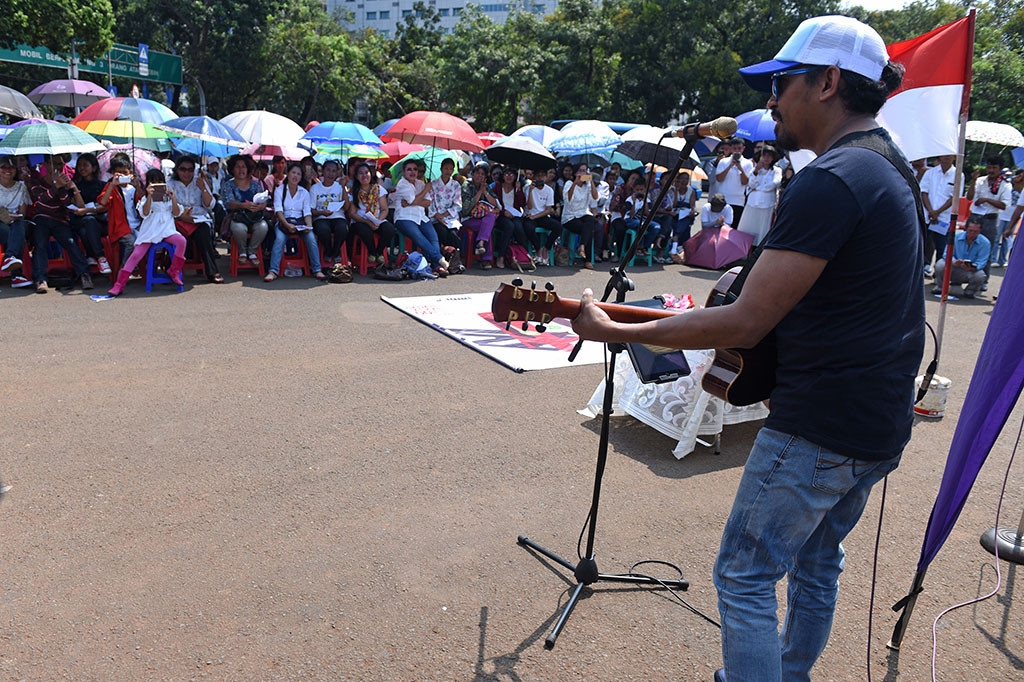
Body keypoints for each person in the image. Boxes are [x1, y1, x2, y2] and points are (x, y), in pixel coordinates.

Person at [570, 16, 922, 682]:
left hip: (820, 425)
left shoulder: (833, 178)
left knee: (745, 573)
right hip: (877, 422)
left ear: (826, 83)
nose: (770, 100)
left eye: (781, 83)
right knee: (818, 566)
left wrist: (619, 331)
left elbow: (745, 322)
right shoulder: (890, 165)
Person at [108, 168, 187, 296]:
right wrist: (149, 196)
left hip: (167, 230)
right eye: (153, 182)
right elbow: (144, 212)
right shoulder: (145, 198)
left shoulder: (168, 197)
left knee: (181, 241)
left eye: (159, 182)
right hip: (150, 232)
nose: (156, 185)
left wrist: (173, 199)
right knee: (135, 255)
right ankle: (119, 284)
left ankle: (174, 270)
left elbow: (177, 213)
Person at [28, 156, 92, 293]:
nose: (58, 167)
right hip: (41, 219)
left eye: (61, 164)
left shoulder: (63, 185)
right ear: (46, 165)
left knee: (70, 242)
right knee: (40, 244)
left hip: (59, 220)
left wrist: (70, 187)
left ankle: (84, 274)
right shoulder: (36, 182)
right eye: (55, 164)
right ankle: (40, 279)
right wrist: (55, 187)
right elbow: (41, 199)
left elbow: (70, 205)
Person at [168, 156, 223, 283]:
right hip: (178, 219)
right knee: (174, 236)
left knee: (204, 233)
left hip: (197, 220)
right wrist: (184, 217)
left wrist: (203, 188)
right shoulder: (170, 184)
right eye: (183, 169)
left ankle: (212, 271)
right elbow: (167, 207)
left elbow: (210, 205)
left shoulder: (199, 182)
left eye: (190, 170)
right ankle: (172, 269)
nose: (187, 173)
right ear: (177, 170)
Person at [266, 162, 323, 282]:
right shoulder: (280, 190)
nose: (295, 176)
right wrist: (287, 225)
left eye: (298, 174)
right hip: (284, 222)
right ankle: (273, 271)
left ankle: (317, 269)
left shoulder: (304, 192)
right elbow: (278, 211)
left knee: (311, 238)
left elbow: (307, 212)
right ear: (288, 173)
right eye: (293, 173)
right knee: (280, 239)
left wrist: (309, 226)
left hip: (300, 222)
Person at [393, 159, 449, 276]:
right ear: (404, 171)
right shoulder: (402, 184)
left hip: (420, 216)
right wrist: (425, 191)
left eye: (415, 169)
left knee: (433, 236)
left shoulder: (420, 183)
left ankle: (436, 266)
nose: (413, 172)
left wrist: (412, 202)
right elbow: (415, 199)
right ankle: (439, 259)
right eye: (409, 169)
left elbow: (427, 202)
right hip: (404, 217)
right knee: (418, 236)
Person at [966, 155, 1011, 280]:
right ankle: (962, 275)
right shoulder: (980, 180)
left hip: (990, 219)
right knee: (966, 245)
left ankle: (983, 279)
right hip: (975, 216)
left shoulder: (1005, 185)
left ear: (1000, 169)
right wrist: (973, 181)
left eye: (994, 168)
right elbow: (969, 197)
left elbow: (1004, 205)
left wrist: (987, 200)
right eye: (989, 167)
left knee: (987, 249)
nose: (990, 170)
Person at [222, 155, 270, 267]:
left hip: (255, 217)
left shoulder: (256, 184)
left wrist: (260, 206)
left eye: (243, 167)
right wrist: (244, 205)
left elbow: (264, 200)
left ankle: (252, 252)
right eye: (238, 167)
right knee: (239, 228)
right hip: (238, 217)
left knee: (263, 227)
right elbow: (229, 203)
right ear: (232, 169)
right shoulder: (228, 185)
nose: (241, 170)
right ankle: (242, 252)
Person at [69, 152, 112, 274]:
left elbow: (104, 206)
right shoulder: (75, 186)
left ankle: (91, 256)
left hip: (101, 221)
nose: (81, 168)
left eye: (85, 165)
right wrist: (75, 190)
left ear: (94, 167)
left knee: (86, 229)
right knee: (87, 222)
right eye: (79, 165)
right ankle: (100, 257)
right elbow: (79, 206)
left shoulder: (103, 185)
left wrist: (88, 210)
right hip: (81, 220)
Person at [96, 157, 138, 280]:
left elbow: (143, 203)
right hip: (120, 227)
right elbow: (103, 202)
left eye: (125, 173)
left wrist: (138, 187)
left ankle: (136, 266)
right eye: (119, 173)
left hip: (137, 224)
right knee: (132, 242)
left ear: (130, 172)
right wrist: (112, 184)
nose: (122, 176)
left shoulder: (134, 187)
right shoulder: (111, 187)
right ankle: (125, 268)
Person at [348, 162, 396, 265]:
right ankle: (372, 252)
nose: (364, 175)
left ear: (371, 174)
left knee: (389, 229)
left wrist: (377, 222)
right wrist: (368, 222)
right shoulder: (354, 191)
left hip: (377, 218)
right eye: (361, 173)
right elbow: (352, 213)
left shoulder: (378, 189)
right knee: (364, 230)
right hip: (361, 221)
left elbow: (384, 209)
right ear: (356, 177)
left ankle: (379, 252)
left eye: (366, 172)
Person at [932, 215, 989, 298]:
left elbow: (982, 261)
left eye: (975, 232)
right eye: (970, 231)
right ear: (966, 229)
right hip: (953, 267)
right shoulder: (955, 237)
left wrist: (973, 267)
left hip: (970, 271)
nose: (972, 234)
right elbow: (946, 254)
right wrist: (954, 261)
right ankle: (940, 287)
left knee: (980, 275)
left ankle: (970, 292)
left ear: (980, 231)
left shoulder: (985, 243)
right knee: (940, 264)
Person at [920, 154, 957, 275]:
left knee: (941, 248)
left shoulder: (958, 175)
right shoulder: (930, 173)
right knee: (923, 245)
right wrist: (931, 211)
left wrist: (937, 212)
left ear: (955, 157)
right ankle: (922, 270)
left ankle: (939, 275)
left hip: (943, 219)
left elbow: (954, 198)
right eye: (943, 155)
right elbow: (923, 192)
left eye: (949, 155)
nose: (945, 157)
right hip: (928, 216)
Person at [738, 144, 783, 244]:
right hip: (753, 202)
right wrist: (756, 171)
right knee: (748, 227)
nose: (766, 158)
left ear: (773, 158)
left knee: (763, 229)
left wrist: (758, 188)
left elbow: (774, 184)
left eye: (769, 156)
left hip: (767, 204)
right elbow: (751, 183)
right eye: (764, 155)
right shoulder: (754, 169)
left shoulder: (777, 170)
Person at [460, 162, 500, 269]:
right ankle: (485, 259)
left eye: (483, 174)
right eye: (478, 173)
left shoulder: (486, 186)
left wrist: (485, 192)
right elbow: (466, 209)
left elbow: (495, 204)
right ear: (472, 174)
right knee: (487, 225)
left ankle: (481, 243)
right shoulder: (466, 185)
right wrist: (479, 192)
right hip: (468, 218)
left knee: (489, 219)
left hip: (482, 218)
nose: (480, 176)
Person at [0, 156, 32, 288]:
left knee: (19, 225)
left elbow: (22, 212)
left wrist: (15, 217)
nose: (7, 170)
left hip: (17, 223)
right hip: (1, 223)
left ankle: (10, 258)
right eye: (3, 167)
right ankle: (16, 275)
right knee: (10, 233)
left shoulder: (21, 187)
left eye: (11, 167)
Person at [310, 160, 350, 266]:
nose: (330, 174)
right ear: (323, 171)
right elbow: (312, 210)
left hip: (338, 216)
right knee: (323, 230)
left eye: (333, 171)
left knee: (342, 229)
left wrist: (343, 188)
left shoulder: (339, 186)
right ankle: (328, 251)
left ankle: (335, 252)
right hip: (321, 217)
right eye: (328, 170)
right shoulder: (315, 188)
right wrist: (322, 212)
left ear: (337, 173)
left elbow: (346, 207)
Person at [560, 163, 598, 269]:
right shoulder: (569, 183)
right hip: (570, 217)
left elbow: (595, 197)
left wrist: (591, 181)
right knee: (588, 229)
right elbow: (567, 200)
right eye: (580, 171)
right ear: (576, 172)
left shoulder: (587, 185)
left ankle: (582, 246)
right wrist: (575, 183)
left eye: (585, 171)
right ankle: (587, 260)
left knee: (590, 220)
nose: (583, 173)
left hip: (583, 214)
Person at [491, 167, 529, 269]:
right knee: (509, 226)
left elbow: (522, 204)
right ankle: (501, 257)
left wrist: (519, 190)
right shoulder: (498, 187)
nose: (509, 176)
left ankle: (524, 255)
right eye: (507, 174)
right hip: (501, 215)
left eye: (512, 174)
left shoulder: (516, 187)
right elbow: (493, 203)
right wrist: (504, 212)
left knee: (519, 227)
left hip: (514, 215)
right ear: (503, 176)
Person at [523, 168, 560, 264]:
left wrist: (535, 217)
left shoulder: (549, 190)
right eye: (538, 175)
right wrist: (531, 191)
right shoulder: (528, 188)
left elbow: (548, 210)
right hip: (530, 214)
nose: (540, 178)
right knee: (528, 228)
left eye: (542, 175)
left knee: (558, 227)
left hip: (542, 216)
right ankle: (538, 247)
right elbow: (530, 207)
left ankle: (546, 248)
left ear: (546, 177)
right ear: (534, 177)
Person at [715, 137, 754, 224]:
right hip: (723, 200)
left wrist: (740, 168)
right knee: (720, 226)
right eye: (734, 148)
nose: (737, 151)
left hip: (738, 201)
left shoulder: (748, 163)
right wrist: (730, 166)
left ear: (743, 148)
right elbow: (719, 179)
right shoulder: (723, 162)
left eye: (739, 148)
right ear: (730, 149)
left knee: (734, 228)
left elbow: (745, 182)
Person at [428, 157, 463, 249]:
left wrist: (444, 215)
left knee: (453, 234)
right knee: (441, 231)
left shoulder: (456, 185)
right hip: (436, 217)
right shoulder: (433, 184)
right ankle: (445, 254)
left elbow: (457, 205)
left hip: (450, 218)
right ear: (441, 169)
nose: (448, 171)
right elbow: (430, 202)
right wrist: (437, 216)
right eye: (446, 168)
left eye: (451, 169)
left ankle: (455, 256)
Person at [994, 168, 1022, 267]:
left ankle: (1002, 260)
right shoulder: (1008, 184)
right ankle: (994, 259)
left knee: (1007, 239)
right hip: (1002, 215)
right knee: (997, 238)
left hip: (1012, 216)